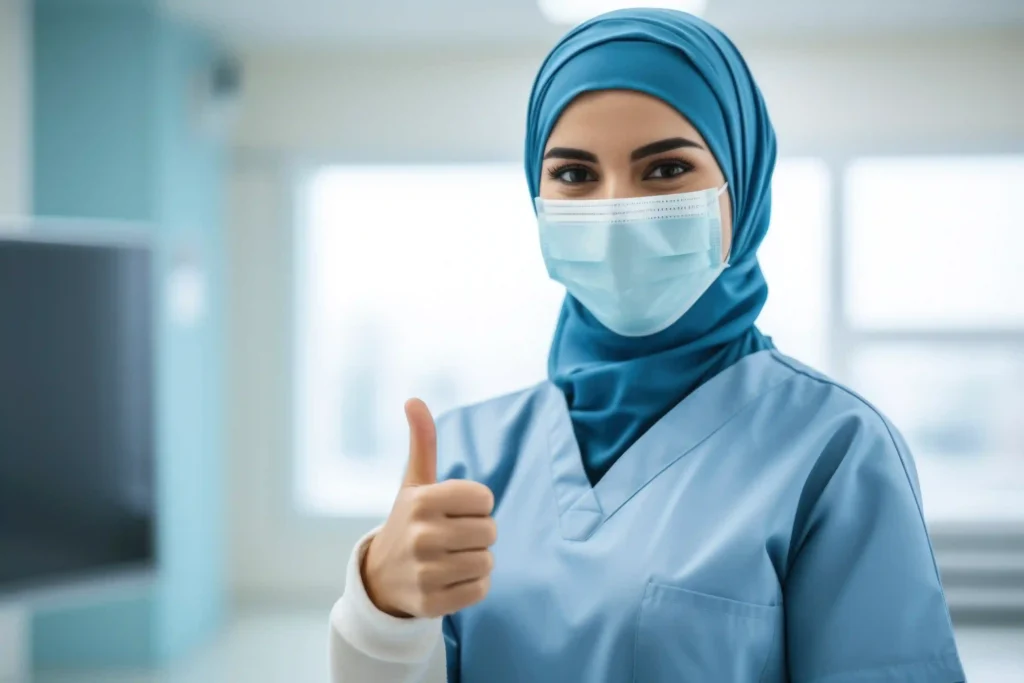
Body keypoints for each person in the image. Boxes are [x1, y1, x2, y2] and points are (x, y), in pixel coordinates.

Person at [328, 9, 966, 683]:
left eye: (664, 169)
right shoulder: (466, 455)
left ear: (741, 190)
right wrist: (380, 613)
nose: (617, 212)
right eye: (574, 174)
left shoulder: (835, 451)